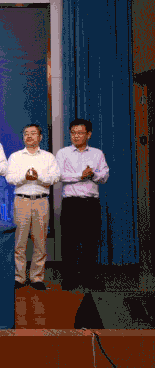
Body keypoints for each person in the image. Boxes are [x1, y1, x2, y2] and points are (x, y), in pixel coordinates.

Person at [56, 119, 110, 290]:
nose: (76, 136)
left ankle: (89, 278)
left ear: (89, 134)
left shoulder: (97, 154)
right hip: (71, 203)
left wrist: (92, 174)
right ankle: (69, 278)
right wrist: (80, 175)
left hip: (90, 204)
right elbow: (59, 175)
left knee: (91, 242)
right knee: (69, 242)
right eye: (73, 133)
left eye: (80, 133)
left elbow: (104, 176)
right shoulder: (63, 153)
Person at [6, 124, 60, 291]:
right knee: (19, 242)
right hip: (21, 200)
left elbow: (55, 177)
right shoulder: (15, 156)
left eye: (33, 133)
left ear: (40, 137)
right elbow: (9, 178)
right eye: (26, 134)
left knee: (40, 242)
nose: (29, 136)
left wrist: (38, 177)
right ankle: (19, 277)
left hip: (41, 201)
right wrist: (25, 177)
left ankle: (37, 278)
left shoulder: (48, 157)